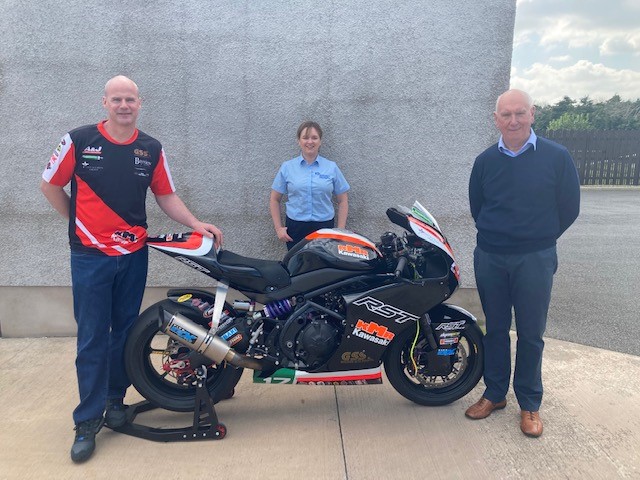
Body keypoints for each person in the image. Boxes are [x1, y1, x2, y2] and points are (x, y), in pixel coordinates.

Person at [40, 75, 223, 463]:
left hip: (133, 255)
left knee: (124, 333)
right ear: (104, 103)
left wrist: (195, 224)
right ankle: (87, 421)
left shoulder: (150, 148)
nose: (124, 105)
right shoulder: (78, 140)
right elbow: (50, 186)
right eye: (117, 99)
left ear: (140, 103)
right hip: (90, 257)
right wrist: (77, 224)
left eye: (131, 99)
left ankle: (114, 401)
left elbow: (166, 195)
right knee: (91, 337)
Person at [466, 89, 580, 437]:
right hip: (491, 256)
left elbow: (569, 208)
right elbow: (477, 206)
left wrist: (538, 238)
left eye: (520, 113)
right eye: (506, 115)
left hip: (535, 258)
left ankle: (529, 403)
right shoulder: (485, 161)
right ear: (496, 119)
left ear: (533, 114)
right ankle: (495, 393)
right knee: (496, 329)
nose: (513, 120)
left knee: (531, 334)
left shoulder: (556, 157)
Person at [270, 121, 350, 250]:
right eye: (305, 137)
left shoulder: (331, 167)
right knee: (297, 268)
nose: (310, 142)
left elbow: (343, 200)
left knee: (322, 268)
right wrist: (279, 228)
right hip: (296, 228)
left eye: (314, 137)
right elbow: (274, 199)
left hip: (324, 228)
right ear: (299, 141)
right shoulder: (287, 167)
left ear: (320, 141)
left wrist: (340, 231)